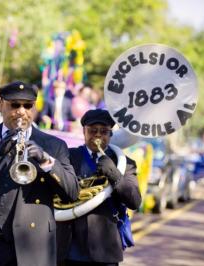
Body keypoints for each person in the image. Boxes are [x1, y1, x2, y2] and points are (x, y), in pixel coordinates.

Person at [0, 80, 79, 266]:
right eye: (14, 105)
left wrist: (46, 161)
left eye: (28, 105)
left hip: (32, 246)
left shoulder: (54, 145)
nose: (21, 111)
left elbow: (72, 193)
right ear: (1, 105)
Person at [57, 109, 142, 266]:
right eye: (92, 131)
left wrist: (114, 174)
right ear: (84, 131)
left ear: (110, 134)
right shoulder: (68, 156)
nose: (97, 136)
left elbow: (135, 201)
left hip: (105, 249)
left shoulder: (125, 163)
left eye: (103, 131)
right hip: (70, 247)